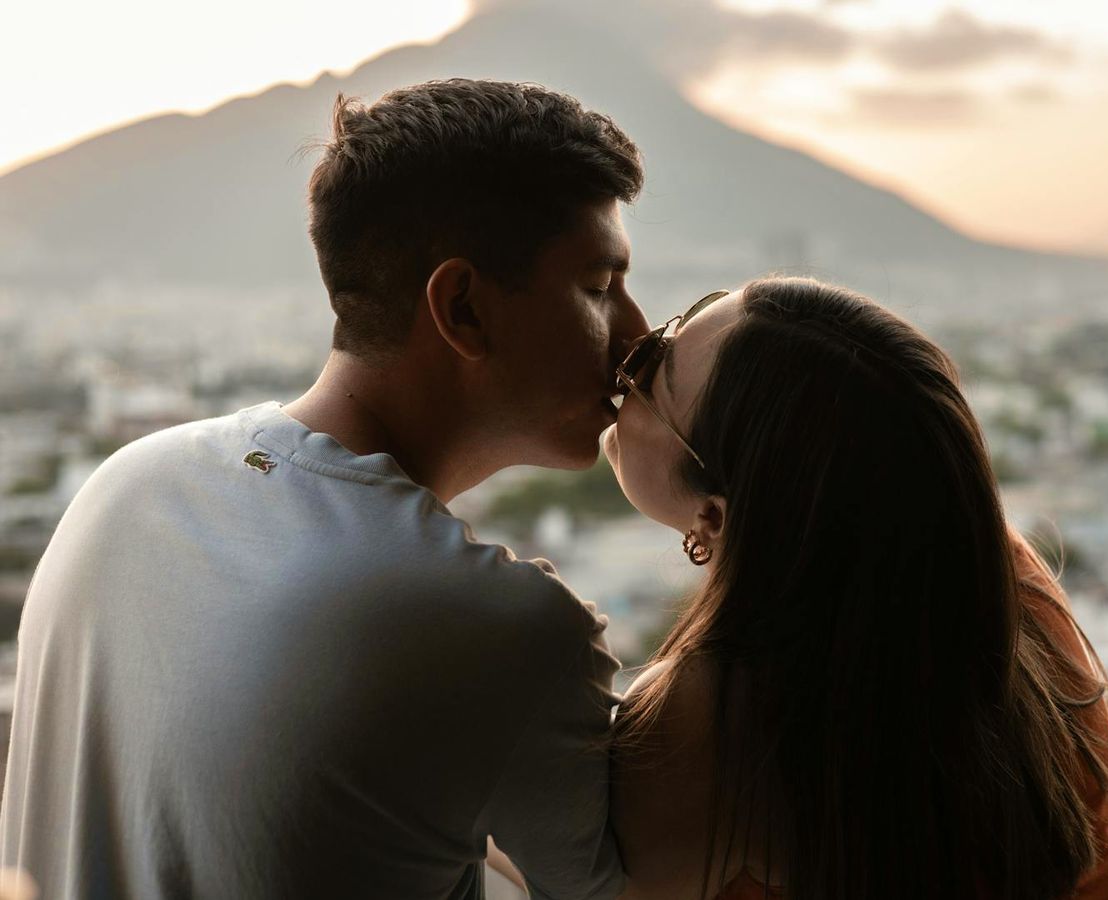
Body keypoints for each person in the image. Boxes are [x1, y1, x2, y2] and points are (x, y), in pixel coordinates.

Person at [1, 79, 648, 899]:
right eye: (598, 286)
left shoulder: (126, 484)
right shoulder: (500, 627)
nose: (635, 330)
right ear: (463, 308)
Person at [602, 278, 1108, 900]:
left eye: (655, 376)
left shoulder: (707, 713)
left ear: (717, 517)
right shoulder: (1006, 583)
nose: (631, 358)